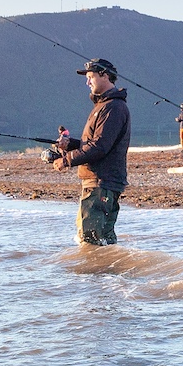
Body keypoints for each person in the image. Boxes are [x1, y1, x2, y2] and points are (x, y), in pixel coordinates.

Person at [52, 58, 132, 245]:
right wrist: (71, 144)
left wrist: (66, 160)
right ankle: (108, 273)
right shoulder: (105, 106)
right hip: (100, 182)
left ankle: (98, 274)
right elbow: (97, 143)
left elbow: (100, 147)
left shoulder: (113, 107)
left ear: (104, 75)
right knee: (102, 241)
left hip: (101, 183)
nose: (87, 82)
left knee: (91, 241)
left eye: (90, 77)